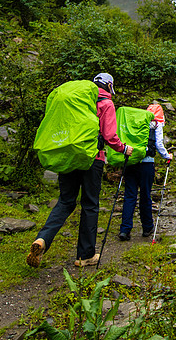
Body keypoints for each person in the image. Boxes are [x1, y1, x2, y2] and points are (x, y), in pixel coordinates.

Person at [27, 72, 133, 268]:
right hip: (93, 159)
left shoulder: (78, 101)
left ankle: (42, 239)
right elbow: (110, 136)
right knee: (90, 204)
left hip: (69, 155)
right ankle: (85, 255)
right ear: (109, 86)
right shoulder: (106, 103)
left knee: (66, 201)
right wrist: (124, 148)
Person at [118, 102, 174, 240]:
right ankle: (147, 227)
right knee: (145, 195)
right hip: (147, 163)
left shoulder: (138, 121)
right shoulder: (157, 124)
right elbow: (159, 144)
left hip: (132, 161)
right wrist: (167, 156)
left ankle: (125, 230)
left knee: (130, 195)